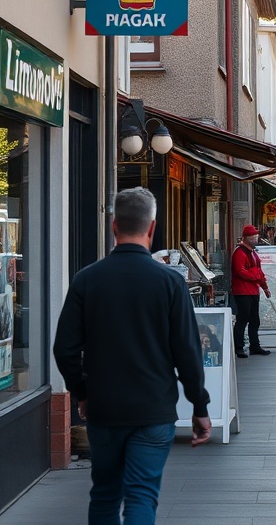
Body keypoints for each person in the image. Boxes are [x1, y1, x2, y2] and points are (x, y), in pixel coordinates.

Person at [53, 187, 212, 525]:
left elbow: (64, 349)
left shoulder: (87, 279)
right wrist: (199, 405)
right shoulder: (170, 283)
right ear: (151, 227)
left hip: (105, 408)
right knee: (141, 495)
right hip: (153, 409)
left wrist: (82, 392)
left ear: (114, 226)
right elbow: (187, 352)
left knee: (105, 494)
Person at [231, 225, 272, 357]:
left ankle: (254, 345)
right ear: (246, 238)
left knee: (254, 319)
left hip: (253, 290)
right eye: (253, 237)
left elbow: (259, 271)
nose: (256, 239)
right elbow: (240, 271)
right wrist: (256, 277)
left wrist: (264, 286)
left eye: (256, 237)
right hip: (242, 291)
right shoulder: (240, 252)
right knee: (243, 319)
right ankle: (238, 347)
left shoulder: (252, 253)